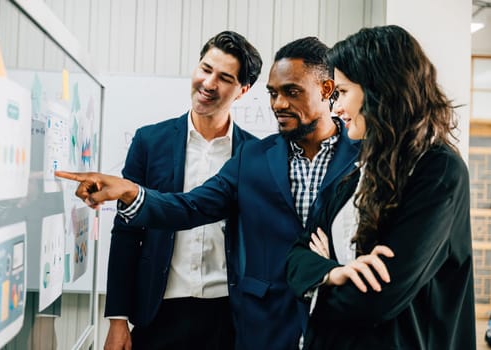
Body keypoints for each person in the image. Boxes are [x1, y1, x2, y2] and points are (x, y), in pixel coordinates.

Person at [56, 36, 360, 349]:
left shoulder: (365, 156)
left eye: (291, 92)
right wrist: (131, 192)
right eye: (273, 93)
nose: (279, 104)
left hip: (344, 323)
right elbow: (189, 207)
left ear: (326, 90)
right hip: (265, 327)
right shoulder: (252, 159)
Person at [285, 25, 476, 349]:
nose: (335, 109)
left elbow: (377, 299)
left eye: (343, 93)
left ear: (379, 90)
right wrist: (334, 274)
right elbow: (295, 259)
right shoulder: (354, 175)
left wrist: (319, 280)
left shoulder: (439, 171)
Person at [103, 31, 262, 350]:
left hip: (228, 316)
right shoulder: (150, 142)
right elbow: (126, 233)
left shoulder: (255, 155)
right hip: (159, 311)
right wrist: (118, 320)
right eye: (205, 68)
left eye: (224, 77)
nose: (208, 83)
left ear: (242, 90)